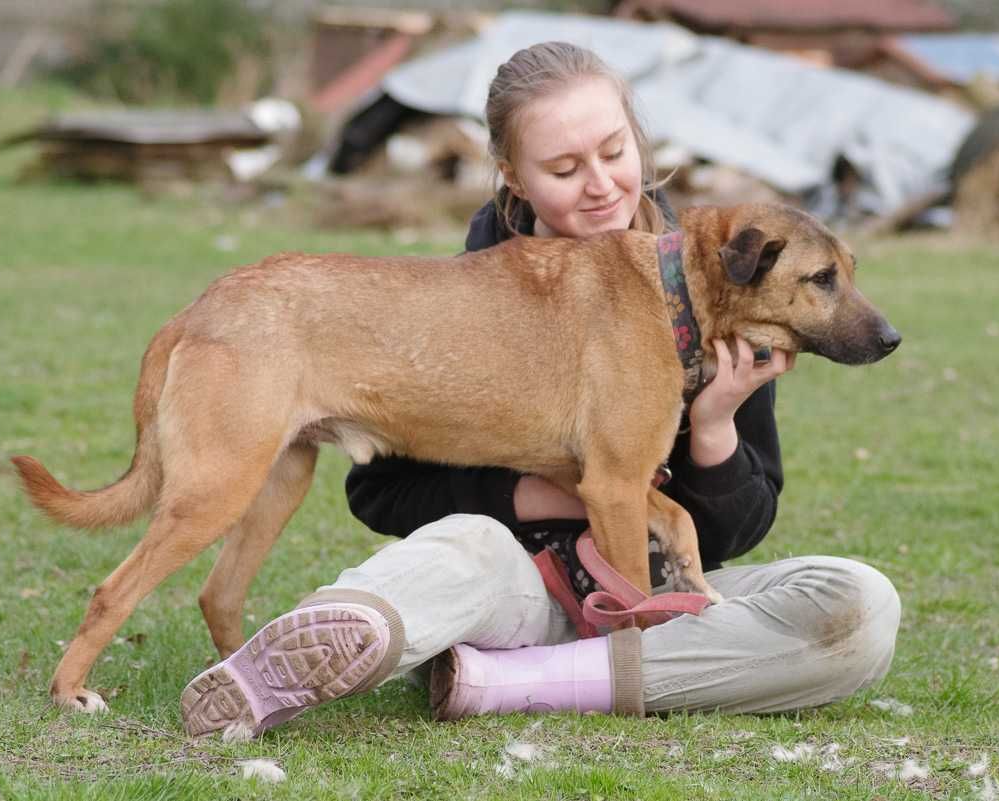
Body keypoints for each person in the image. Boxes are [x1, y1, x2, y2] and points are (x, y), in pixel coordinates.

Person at [180, 41, 901, 739]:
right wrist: (546, 494)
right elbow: (382, 495)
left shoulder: (725, 280)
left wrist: (713, 423)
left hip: (668, 605)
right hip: (516, 587)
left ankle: (511, 684)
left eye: (614, 152)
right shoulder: (472, 286)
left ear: (639, 143)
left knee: (858, 602)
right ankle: (306, 650)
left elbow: (734, 534)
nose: (599, 184)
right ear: (514, 176)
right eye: (563, 167)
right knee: (457, 551)